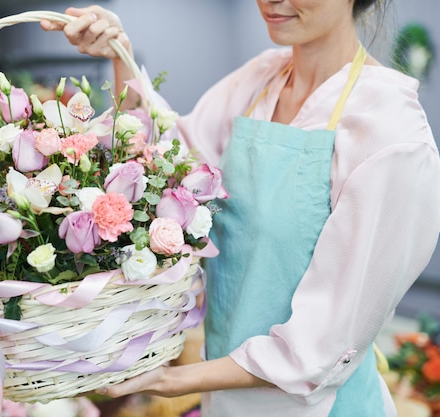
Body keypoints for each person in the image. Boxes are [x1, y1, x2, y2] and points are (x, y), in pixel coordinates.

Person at [41, 1, 440, 416]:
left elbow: (319, 349)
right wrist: (119, 51)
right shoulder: (259, 81)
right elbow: (163, 169)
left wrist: (170, 380)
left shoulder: (390, 132)